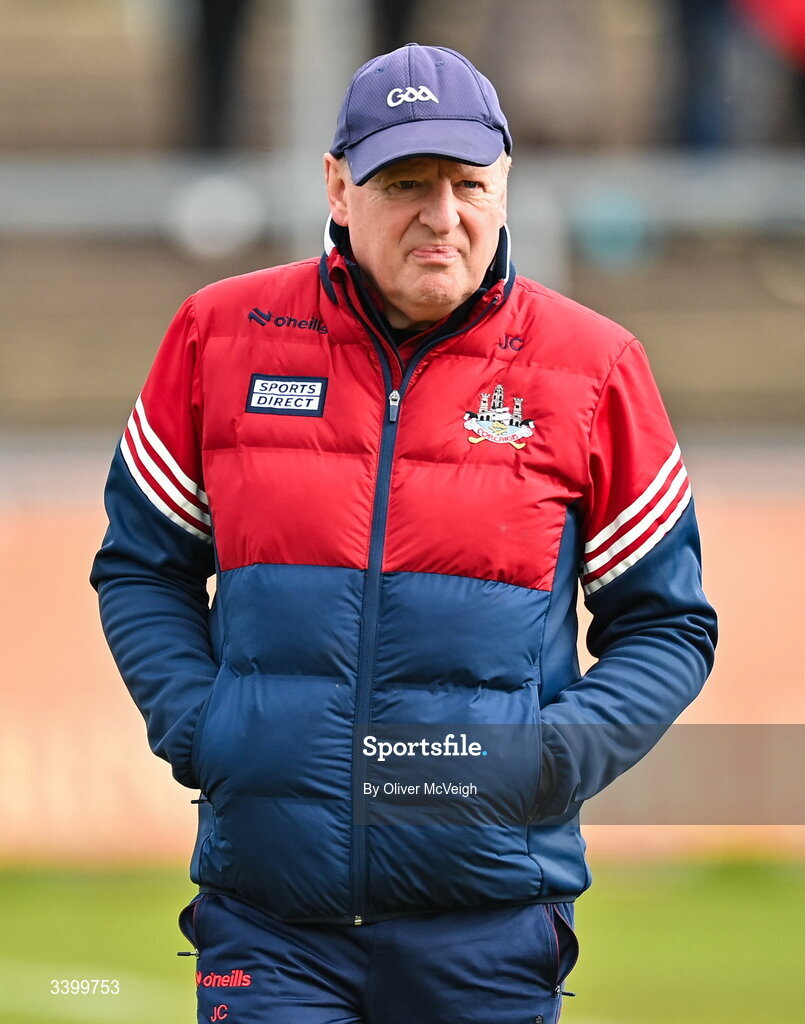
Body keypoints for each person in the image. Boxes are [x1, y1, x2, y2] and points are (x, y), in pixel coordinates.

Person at [91, 43, 717, 1024]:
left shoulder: (593, 369)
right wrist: (204, 726)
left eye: (469, 183)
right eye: (405, 183)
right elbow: (141, 563)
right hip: (268, 925)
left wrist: (548, 758)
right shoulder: (219, 335)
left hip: (489, 931)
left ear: (504, 184)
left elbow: (669, 625)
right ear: (338, 187)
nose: (442, 215)